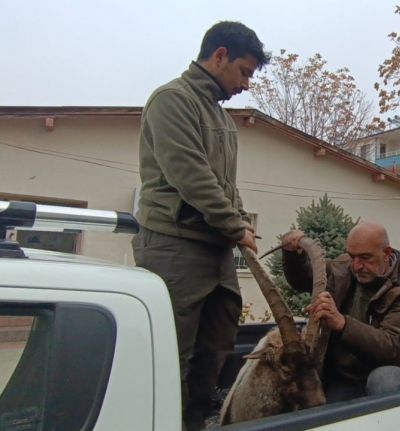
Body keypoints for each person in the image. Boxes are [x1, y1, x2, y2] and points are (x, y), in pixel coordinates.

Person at [131, 21, 270, 431]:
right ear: (220, 55)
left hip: (216, 251)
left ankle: (191, 424)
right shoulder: (171, 101)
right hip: (174, 247)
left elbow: (226, 186)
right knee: (169, 354)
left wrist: (241, 222)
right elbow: (190, 176)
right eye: (244, 71)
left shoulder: (223, 120)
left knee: (215, 351)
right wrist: (234, 225)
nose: (246, 83)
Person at [281, 222, 400, 402]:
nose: (357, 265)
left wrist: (341, 323)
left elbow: (393, 347)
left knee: (385, 380)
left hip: (396, 367)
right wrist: (292, 255)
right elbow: (304, 279)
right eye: (352, 256)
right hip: (348, 376)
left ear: (387, 254)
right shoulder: (345, 268)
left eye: (365, 257)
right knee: (323, 410)